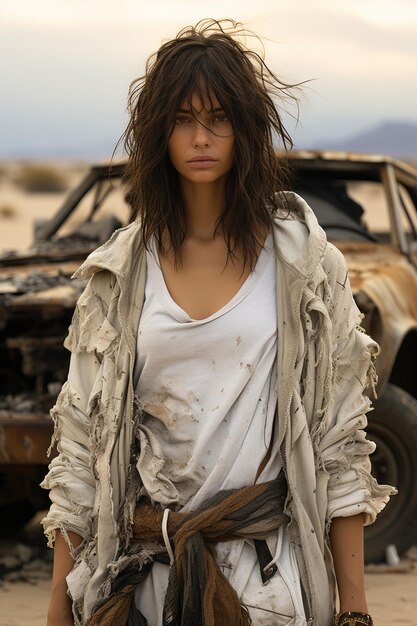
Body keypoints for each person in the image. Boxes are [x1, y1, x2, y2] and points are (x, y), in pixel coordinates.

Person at [42, 18, 395, 626]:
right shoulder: (119, 276)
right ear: (158, 133)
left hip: (268, 582)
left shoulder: (305, 268)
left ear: (247, 129)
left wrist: (355, 610)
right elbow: (81, 451)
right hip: (145, 582)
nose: (201, 137)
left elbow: (340, 444)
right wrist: (58, 608)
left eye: (218, 117)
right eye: (182, 119)